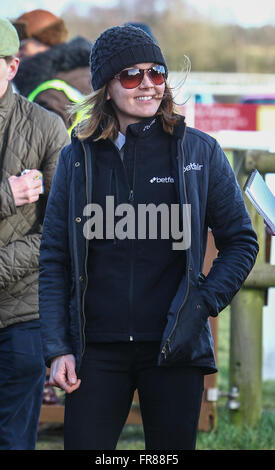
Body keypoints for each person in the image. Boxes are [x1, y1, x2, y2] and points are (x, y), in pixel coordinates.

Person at [39, 25, 259, 450]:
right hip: (95, 352)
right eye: (131, 75)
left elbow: (241, 242)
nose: (147, 85)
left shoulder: (200, 152)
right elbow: (54, 258)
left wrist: (203, 304)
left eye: (156, 73)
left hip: (176, 347)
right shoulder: (76, 157)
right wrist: (57, 347)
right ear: (106, 87)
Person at [0, 17, 69, 450]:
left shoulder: (47, 127)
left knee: (12, 439)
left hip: (20, 316)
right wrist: (6, 195)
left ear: (12, 66)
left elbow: (59, 232)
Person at [13, 9, 92, 133]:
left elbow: (36, 147)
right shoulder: (85, 73)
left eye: (23, 46)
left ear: (45, 42)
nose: (17, 53)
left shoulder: (50, 94)